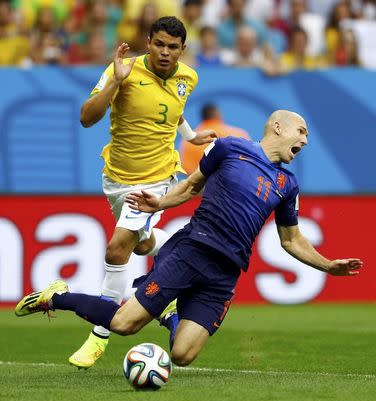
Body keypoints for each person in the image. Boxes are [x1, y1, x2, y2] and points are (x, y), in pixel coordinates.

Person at [15, 110, 363, 368]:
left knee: (181, 355)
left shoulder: (288, 185)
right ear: (277, 127)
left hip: (225, 274)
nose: (304, 140)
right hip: (191, 249)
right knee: (124, 324)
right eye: (301, 131)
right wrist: (160, 202)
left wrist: (328, 265)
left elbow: (292, 239)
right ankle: (56, 296)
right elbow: (191, 186)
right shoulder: (229, 149)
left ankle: (166, 309)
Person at [68, 16, 216, 369]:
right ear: (148, 42)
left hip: (160, 177)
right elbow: (87, 118)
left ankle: (99, 333)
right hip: (118, 177)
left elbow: (174, 112)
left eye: (173, 47)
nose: (165, 52)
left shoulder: (188, 77)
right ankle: (185, 257)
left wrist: (191, 136)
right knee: (142, 244)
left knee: (118, 246)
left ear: (183, 50)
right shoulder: (123, 70)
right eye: (159, 44)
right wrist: (114, 85)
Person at [181, 103, 249, 175]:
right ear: (217, 114)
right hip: (232, 182)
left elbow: (188, 170)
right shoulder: (238, 134)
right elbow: (247, 162)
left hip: (200, 184)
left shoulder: (189, 141)